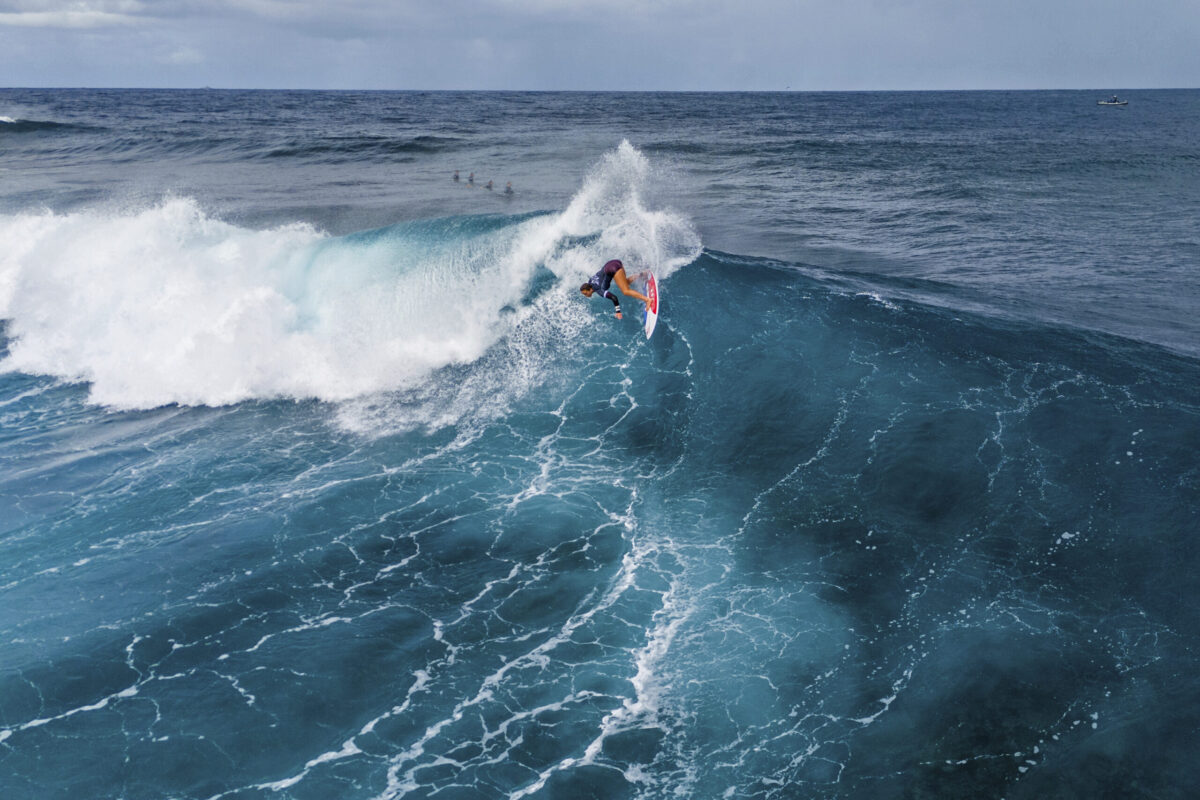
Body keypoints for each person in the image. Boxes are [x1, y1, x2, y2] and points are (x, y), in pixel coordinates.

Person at [579, 259, 649, 320]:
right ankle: (643, 274)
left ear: (590, 290)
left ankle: (647, 300)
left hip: (612, 269)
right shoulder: (590, 281)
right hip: (614, 262)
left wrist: (618, 312)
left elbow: (614, 297)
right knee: (625, 283)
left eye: (585, 293)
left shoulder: (599, 290)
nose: (586, 295)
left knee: (625, 291)